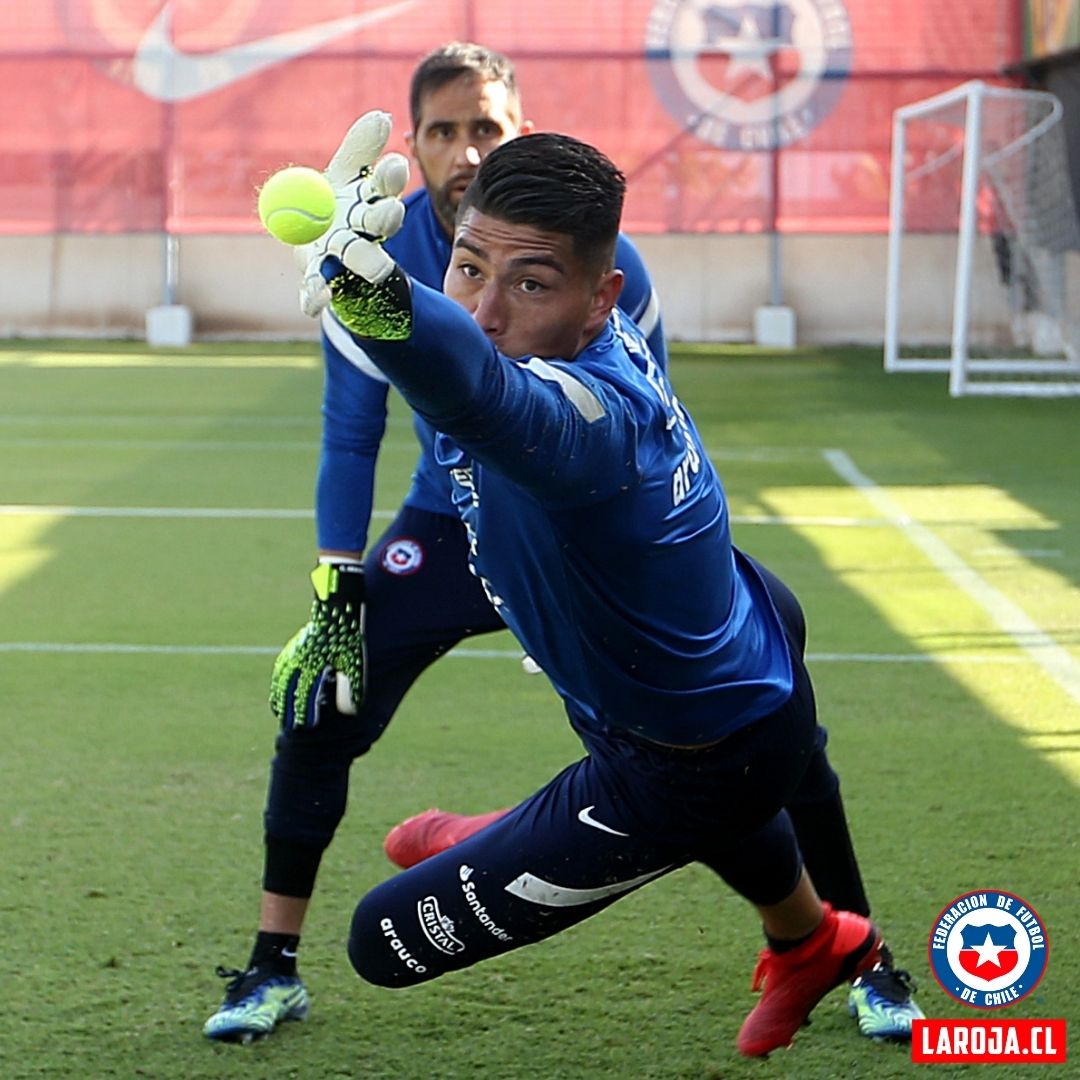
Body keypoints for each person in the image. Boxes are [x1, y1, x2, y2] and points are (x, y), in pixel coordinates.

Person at [295, 117, 916, 1059]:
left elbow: (487, 395)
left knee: (378, 942)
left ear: (602, 300)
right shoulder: (578, 337)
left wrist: (380, 302)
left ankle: (539, 827)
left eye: (531, 283)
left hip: (690, 755)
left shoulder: (590, 419)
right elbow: (463, 363)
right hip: (740, 640)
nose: (488, 311)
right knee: (721, 799)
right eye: (467, 269)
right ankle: (810, 940)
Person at [203, 43, 665, 1044]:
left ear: (520, 131)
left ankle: (847, 954)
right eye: (444, 131)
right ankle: (270, 965)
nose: (465, 150)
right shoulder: (375, 245)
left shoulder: (599, 258)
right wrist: (338, 584)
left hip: (578, 538)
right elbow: (350, 429)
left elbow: (647, 420)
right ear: (409, 146)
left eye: (486, 127)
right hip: (447, 529)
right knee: (322, 711)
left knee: (727, 734)